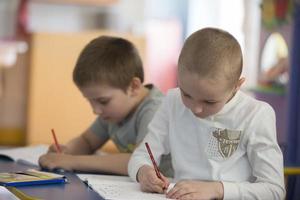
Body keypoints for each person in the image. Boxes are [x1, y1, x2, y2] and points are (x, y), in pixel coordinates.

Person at [128, 28, 285, 199]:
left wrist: (217, 190)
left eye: (210, 102)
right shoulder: (173, 100)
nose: (196, 109)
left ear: (237, 86)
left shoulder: (256, 114)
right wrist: (143, 172)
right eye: (186, 94)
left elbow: (275, 190)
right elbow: (142, 155)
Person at [39, 36, 172, 176]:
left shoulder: (155, 110)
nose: (95, 110)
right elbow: (87, 141)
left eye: (103, 101)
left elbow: (139, 161)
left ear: (133, 87)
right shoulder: (112, 113)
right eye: (90, 101)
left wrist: (72, 161)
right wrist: (66, 152)